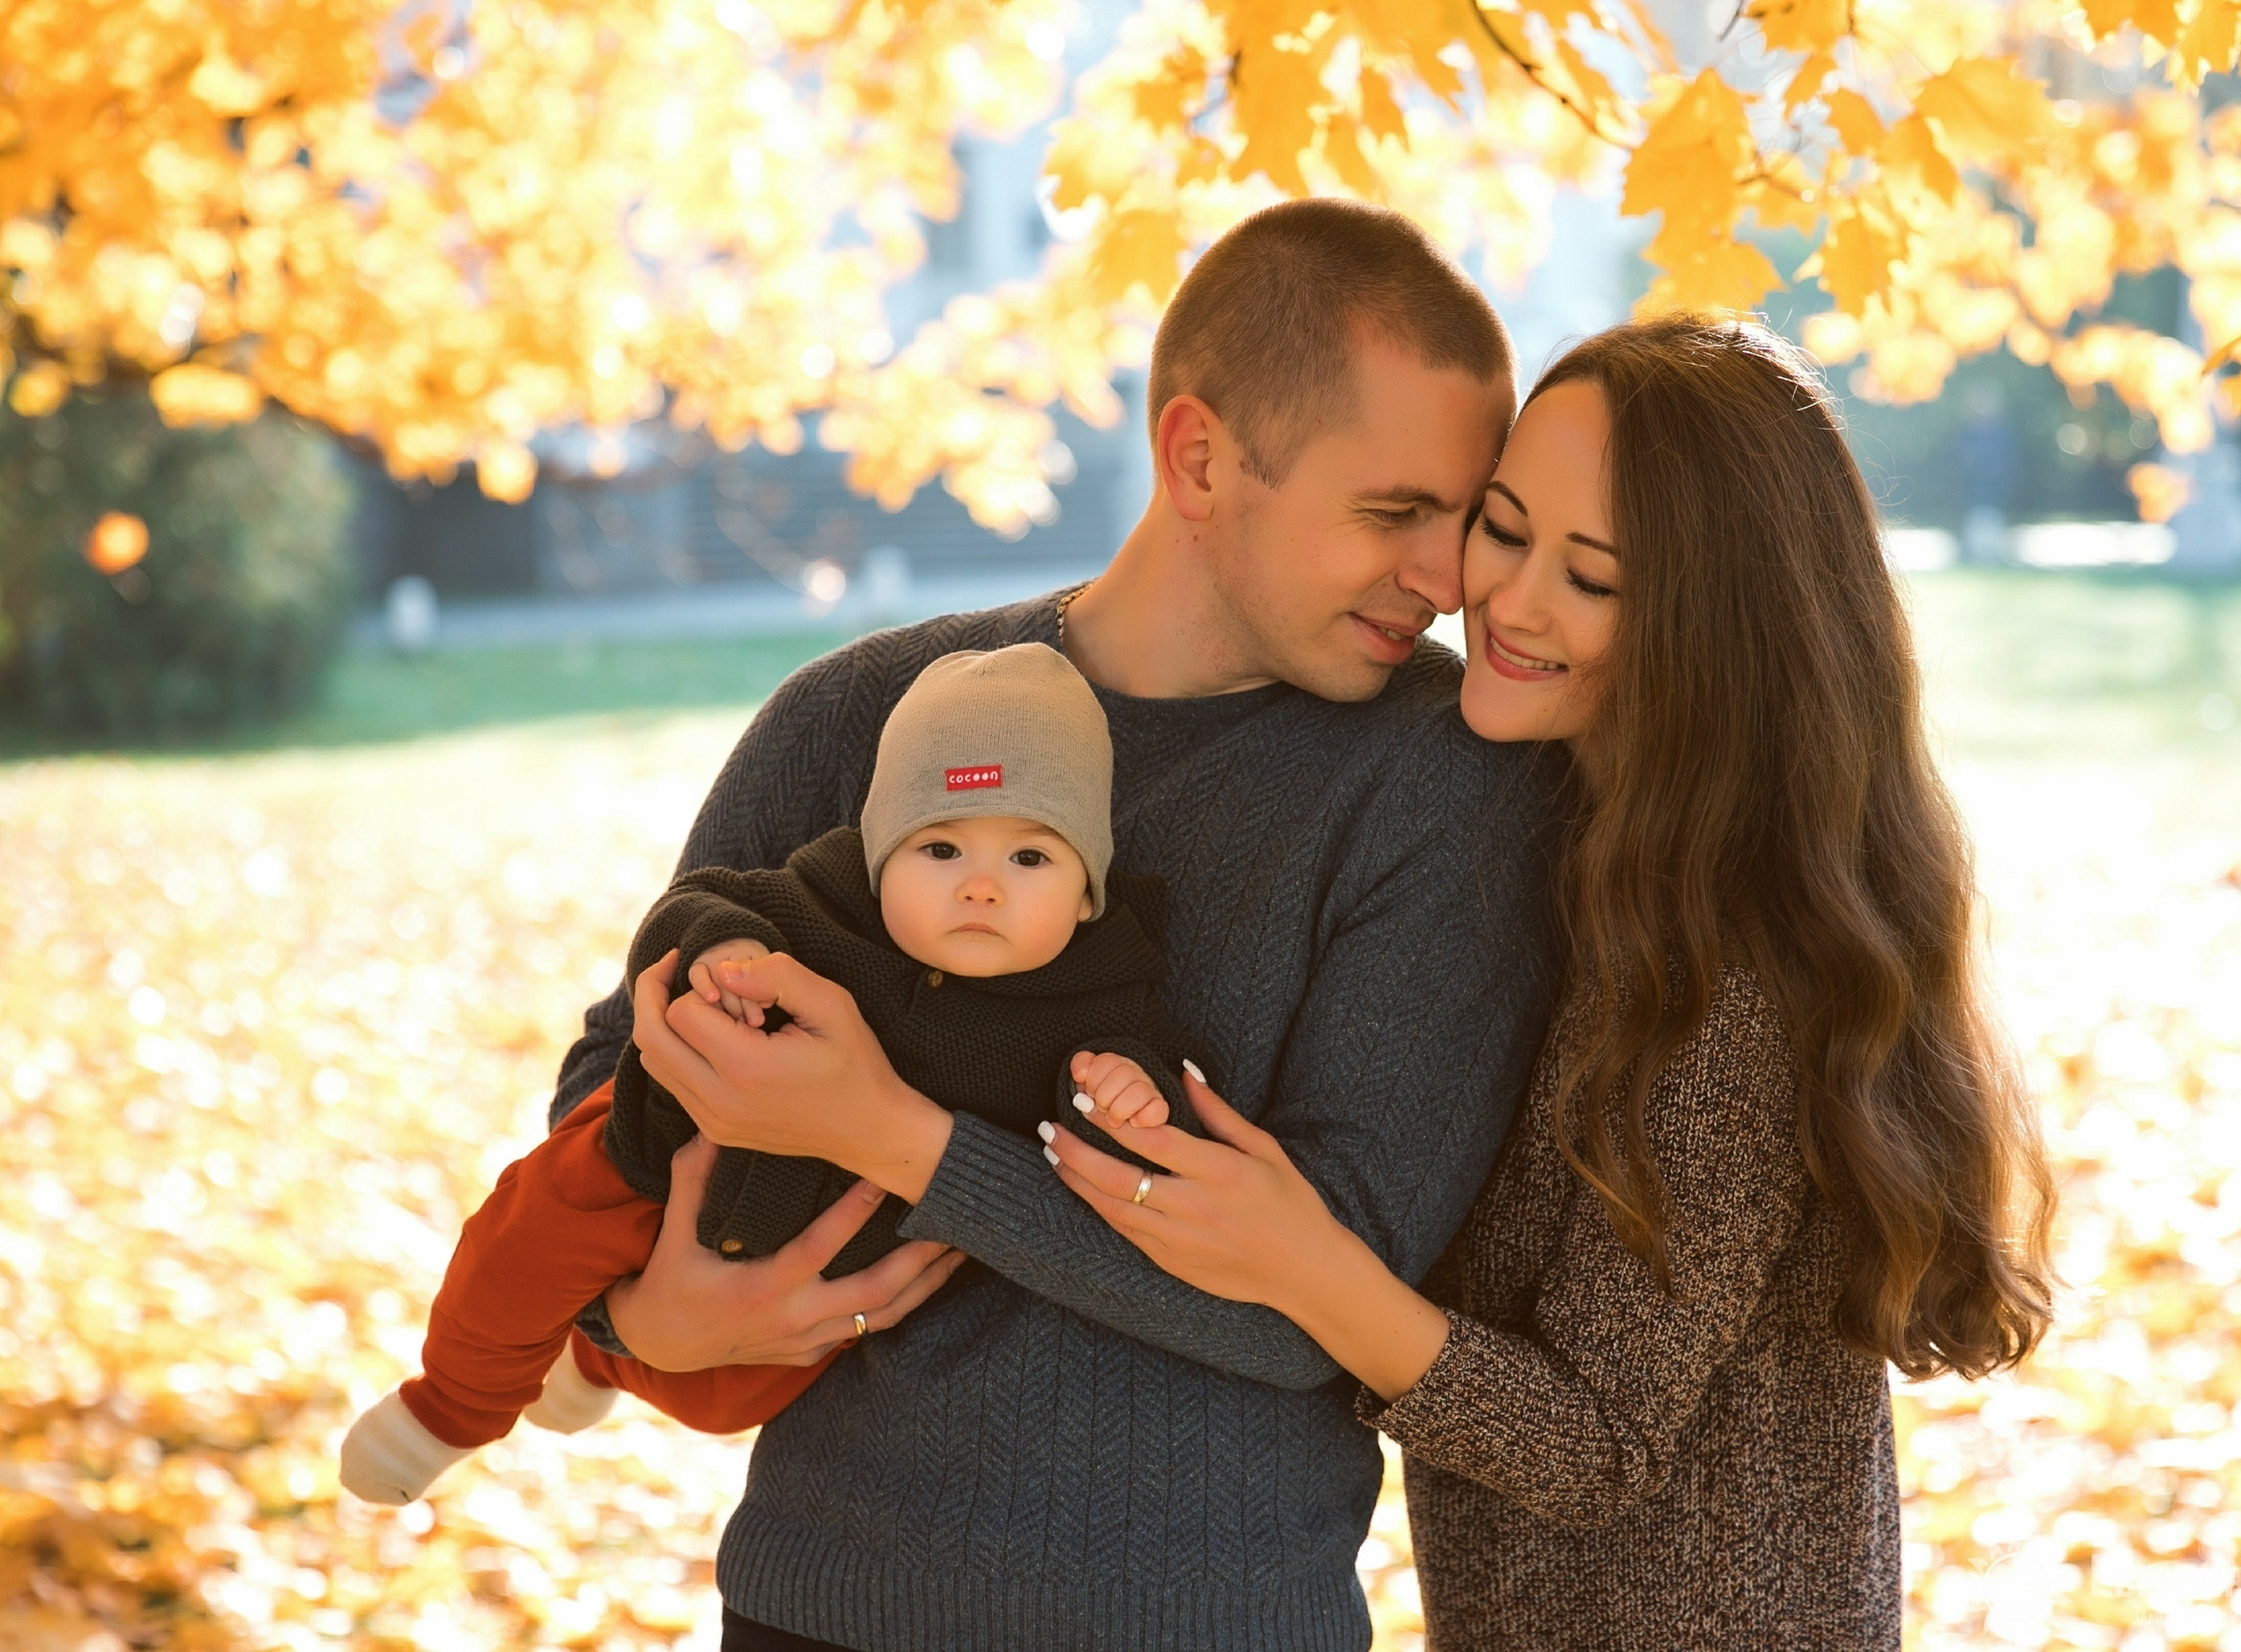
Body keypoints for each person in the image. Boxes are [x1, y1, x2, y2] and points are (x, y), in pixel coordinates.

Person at [550, 198, 1564, 1650]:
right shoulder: (857, 717)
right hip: (817, 1608)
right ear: (1200, 457)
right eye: (1395, 511)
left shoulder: (1447, 785)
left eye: (1468, 518)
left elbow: (1332, 1300)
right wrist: (641, 1317)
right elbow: (614, 1083)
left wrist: (893, 1132)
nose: (1447, 571)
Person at [1045, 315, 2060, 1647]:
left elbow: (1600, 1437)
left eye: (1592, 576)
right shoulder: (1560, 840)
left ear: (1714, 626)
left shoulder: (1734, 955)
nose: (1509, 603)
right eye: (1504, 527)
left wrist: (1302, 1260)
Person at [337, 644, 1208, 1507]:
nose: (981, 887)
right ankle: (451, 1410)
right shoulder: (817, 899)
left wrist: (1128, 1094)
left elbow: (1128, 1120)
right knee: (524, 1249)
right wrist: (725, 947)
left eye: (1030, 858)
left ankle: (591, 1355)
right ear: (880, 855)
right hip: (666, 1145)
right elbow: (689, 905)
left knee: (726, 1396)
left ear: (1088, 890)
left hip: (824, 1255)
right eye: (939, 849)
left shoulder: (1100, 998)